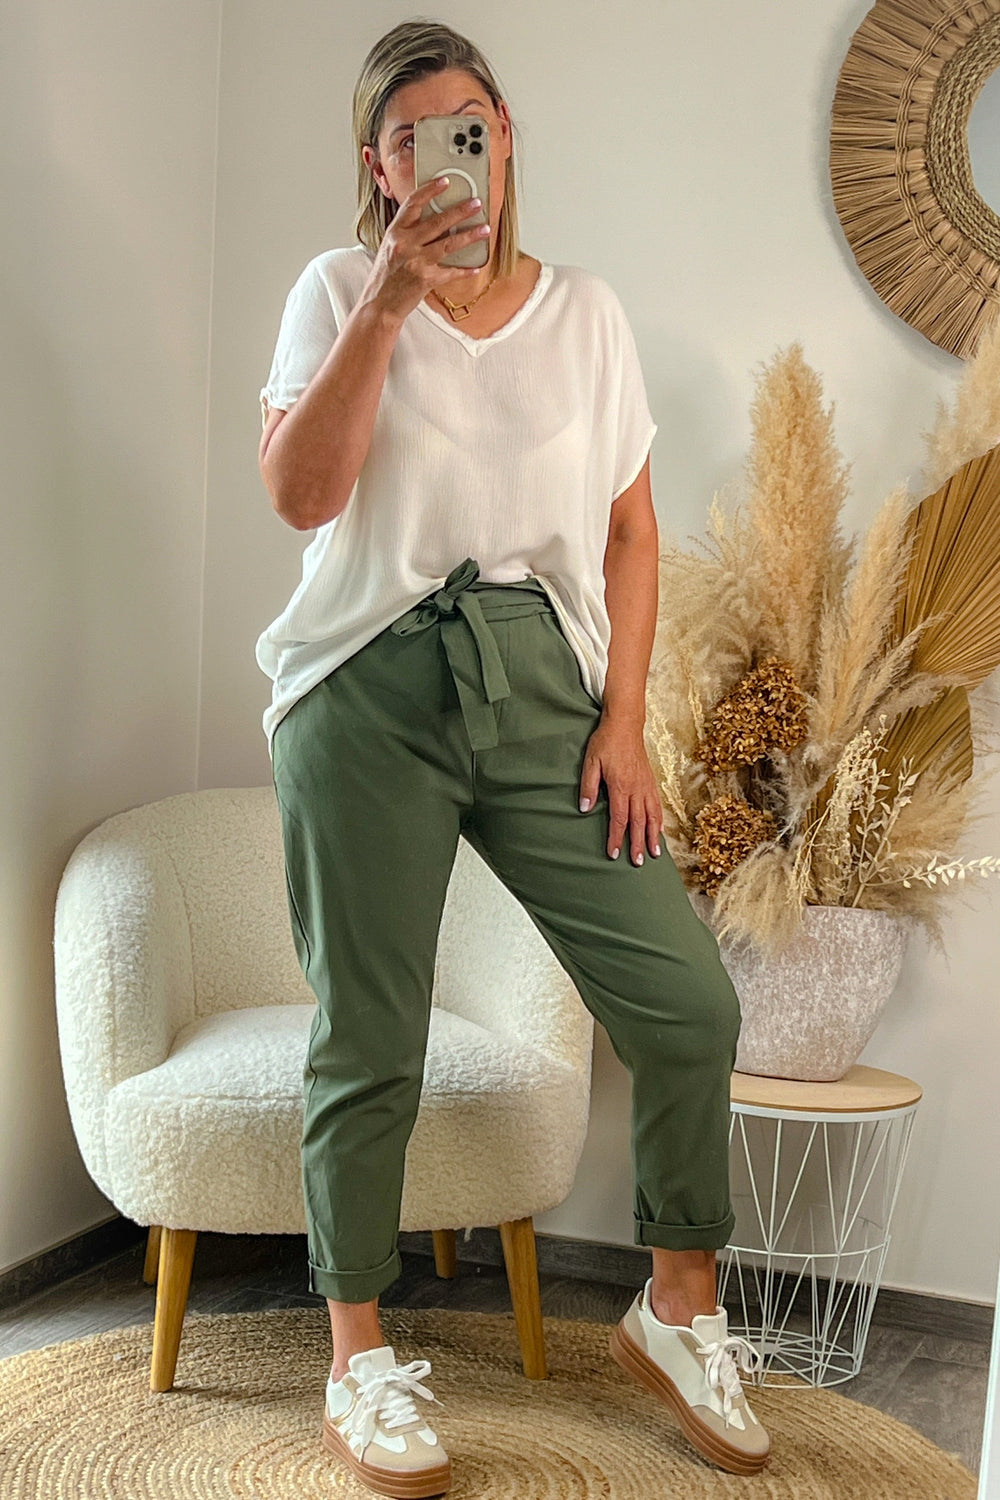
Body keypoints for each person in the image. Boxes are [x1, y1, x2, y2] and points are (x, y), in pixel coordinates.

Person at [256, 19, 770, 1496]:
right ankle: (357, 1358)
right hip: (366, 686)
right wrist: (386, 303)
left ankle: (677, 1308)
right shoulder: (333, 290)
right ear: (381, 165)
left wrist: (626, 718)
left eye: (472, 125)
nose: (451, 157)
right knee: (371, 1035)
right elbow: (300, 498)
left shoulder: (587, 315)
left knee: (687, 1003)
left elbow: (631, 531)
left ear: (504, 138)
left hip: (547, 688)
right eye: (415, 136)